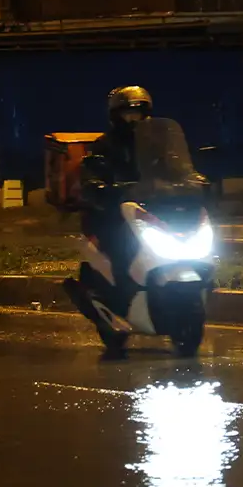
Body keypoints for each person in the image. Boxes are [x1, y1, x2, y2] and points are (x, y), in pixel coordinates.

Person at [68, 86, 154, 356]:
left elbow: (172, 168)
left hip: (147, 211)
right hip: (112, 214)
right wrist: (99, 185)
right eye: (129, 114)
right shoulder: (105, 145)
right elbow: (91, 172)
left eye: (139, 114)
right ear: (117, 116)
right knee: (121, 249)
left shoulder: (153, 145)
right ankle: (117, 300)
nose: (134, 120)